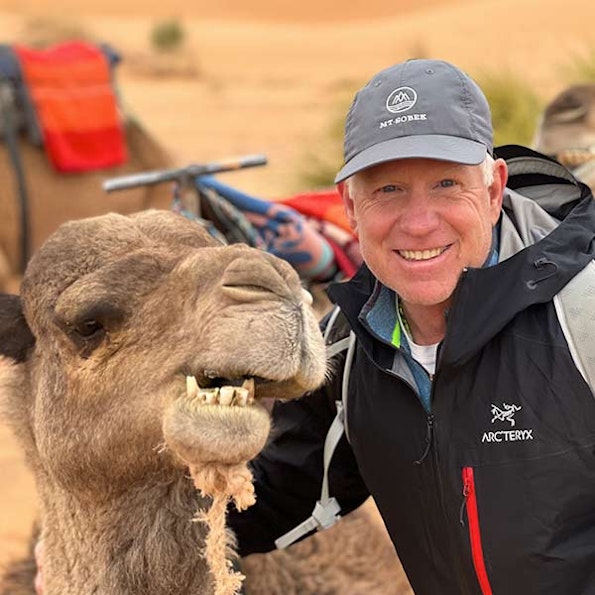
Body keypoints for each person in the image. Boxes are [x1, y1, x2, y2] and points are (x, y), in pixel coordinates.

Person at [34, 59, 595, 594]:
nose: (419, 222)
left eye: (446, 184)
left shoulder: (582, 317)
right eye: (388, 189)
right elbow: (266, 500)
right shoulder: (352, 351)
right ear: (349, 206)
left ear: (494, 189)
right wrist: (77, 545)